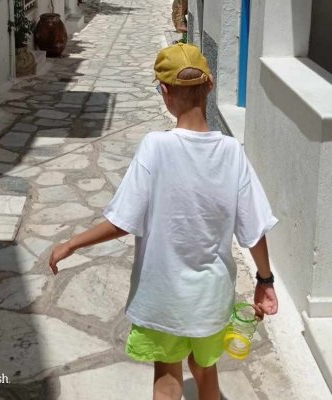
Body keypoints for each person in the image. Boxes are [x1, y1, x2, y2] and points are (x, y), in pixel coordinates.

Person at [49, 43, 279, 400]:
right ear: (210, 85)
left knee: (167, 375)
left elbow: (123, 221)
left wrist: (72, 243)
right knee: (205, 371)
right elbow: (254, 230)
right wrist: (265, 281)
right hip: (209, 298)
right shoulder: (232, 153)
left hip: (163, 296)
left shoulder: (155, 146)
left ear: (164, 91)